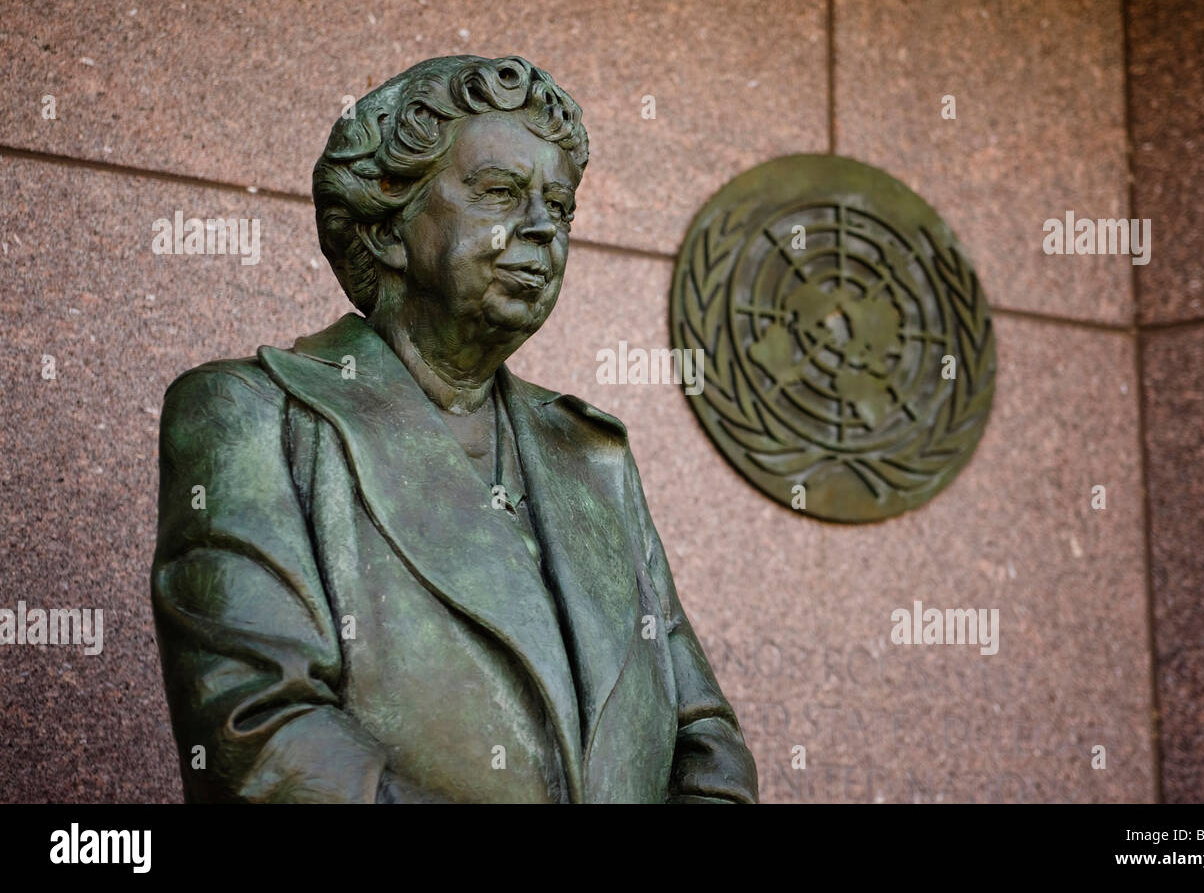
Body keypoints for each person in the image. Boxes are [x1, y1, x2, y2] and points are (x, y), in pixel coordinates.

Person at [151, 55, 758, 803]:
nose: (542, 229)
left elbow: (706, 744)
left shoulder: (592, 457)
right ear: (385, 230)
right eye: (501, 193)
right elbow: (257, 734)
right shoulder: (253, 415)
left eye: (560, 207)